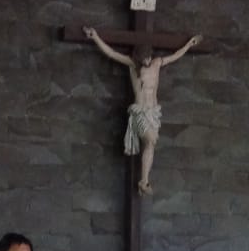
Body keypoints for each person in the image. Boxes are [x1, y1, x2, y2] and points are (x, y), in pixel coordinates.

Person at [83, 26, 202, 195]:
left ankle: (144, 181)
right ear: (138, 57)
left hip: (153, 113)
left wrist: (189, 44)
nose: (147, 60)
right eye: (144, 58)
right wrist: (95, 37)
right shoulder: (132, 65)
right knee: (151, 139)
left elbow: (175, 56)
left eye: (149, 57)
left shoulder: (157, 63)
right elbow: (111, 53)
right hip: (140, 112)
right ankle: (143, 182)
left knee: (150, 145)